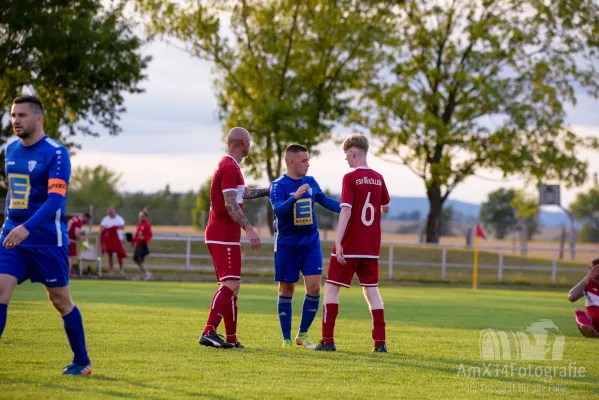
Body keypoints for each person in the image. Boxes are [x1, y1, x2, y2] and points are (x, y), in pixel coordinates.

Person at [0, 96, 92, 375]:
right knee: (0, 291)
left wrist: (26, 227)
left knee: (60, 301)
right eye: (13, 115)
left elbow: (55, 200)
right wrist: (8, 224)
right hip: (11, 237)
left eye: (23, 115)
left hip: (47, 241)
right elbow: (13, 195)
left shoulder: (57, 153)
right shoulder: (10, 150)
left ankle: (81, 361)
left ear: (39, 119)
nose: (16, 120)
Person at [315, 134, 391, 353]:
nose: (346, 160)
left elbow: (345, 210)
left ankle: (327, 340)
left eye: (346, 155)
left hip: (350, 245)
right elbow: (385, 206)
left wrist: (338, 242)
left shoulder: (350, 178)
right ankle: (380, 342)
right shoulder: (378, 177)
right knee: (372, 292)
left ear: (352, 152)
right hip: (371, 246)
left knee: (331, 288)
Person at [198, 127, 270, 349]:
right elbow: (230, 204)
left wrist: (268, 190)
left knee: (233, 286)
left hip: (224, 234)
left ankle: (231, 338)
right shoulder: (229, 167)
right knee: (230, 283)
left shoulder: (231, 166)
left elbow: (243, 193)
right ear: (244, 143)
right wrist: (249, 228)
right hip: (222, 234)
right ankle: (209, 332)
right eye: (249, 142)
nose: (250, 145)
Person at [270, 144, 340, 348]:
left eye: (308, 160)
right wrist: (295, 197)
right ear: (291, 162)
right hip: (287, 246)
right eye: (304, 160)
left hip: (310, 243)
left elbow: (325, 200)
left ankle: (303, 333)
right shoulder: (278, 185)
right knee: (286, 289)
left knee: (314, 288)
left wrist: (347, 207)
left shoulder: (310, 182)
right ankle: (286, 339)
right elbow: (279, 211)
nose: (308, 164)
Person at [568, 259, 599, 338]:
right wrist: (588, 277)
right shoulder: (588, 284)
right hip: (593, 323)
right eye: (594, 269)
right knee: (578, 312)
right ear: (590, 269)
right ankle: (592, 331)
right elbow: (572, 297)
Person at [100, 207, 126, 275]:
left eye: (111, 212)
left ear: (114, 212)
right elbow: (102, 227)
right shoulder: (105, 219)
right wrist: (107, 229)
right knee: (110, 255)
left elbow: (123, 226)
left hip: (118, 239)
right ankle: (111, 270)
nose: (110, 214)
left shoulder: (119, 218)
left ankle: (121, 269)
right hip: (109, 240)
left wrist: (115, 228)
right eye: (109, 212)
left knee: (119, 255)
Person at [67, 212, 91, 277]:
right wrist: (82, 241)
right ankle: (68, 272)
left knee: (67, 256)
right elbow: (76, 233)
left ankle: (66, 271)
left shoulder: (75, 219)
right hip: (71, 240)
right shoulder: (79, 222)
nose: (86, 221)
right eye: (87, 220)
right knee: (70, 257)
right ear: (86, 217)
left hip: (66, 239)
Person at [131, 208, 153, 281]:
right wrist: (132, 241)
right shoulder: (139, 224)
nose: (141, 217)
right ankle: (142, 274)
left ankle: (146, 273)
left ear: (145, 217)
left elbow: (150, 235)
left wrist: (144, 237)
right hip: (138, 244)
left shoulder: (147, 225)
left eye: (142, 216)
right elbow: (137, 234)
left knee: (139, 260)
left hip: (143, 244)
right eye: (140, 216)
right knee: (136, 259)